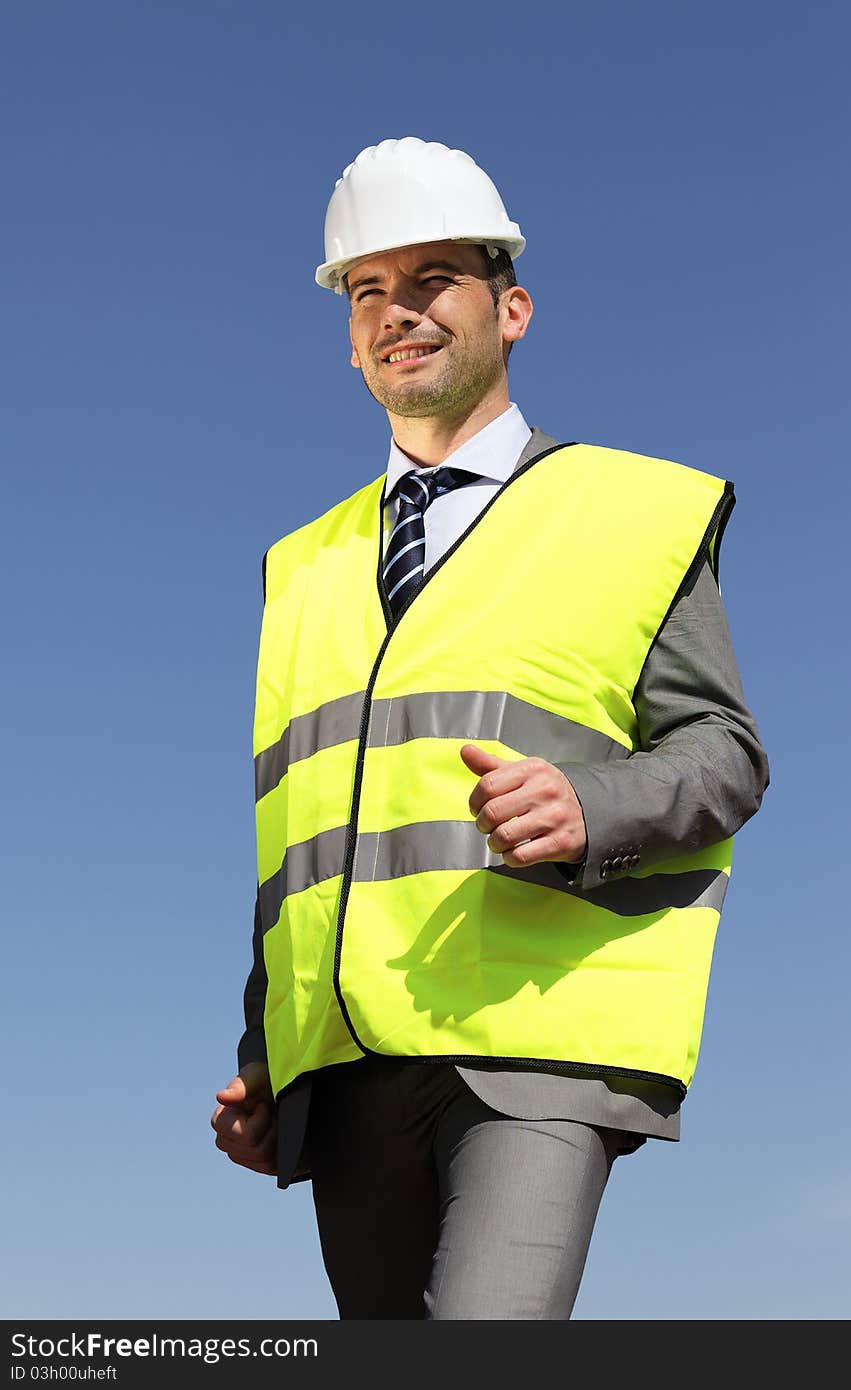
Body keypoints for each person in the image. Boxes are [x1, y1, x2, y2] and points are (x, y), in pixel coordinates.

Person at [211, 136, 770, 1320]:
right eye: (367, 291)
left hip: (535, 1043)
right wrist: (265, 1054)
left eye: (430, 281)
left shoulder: (632, 512)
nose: (395, 312)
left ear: (510, 309)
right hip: (345, 1064)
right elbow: (299, 839)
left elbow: (722, 751)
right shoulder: (300, 566)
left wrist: (589, 805)